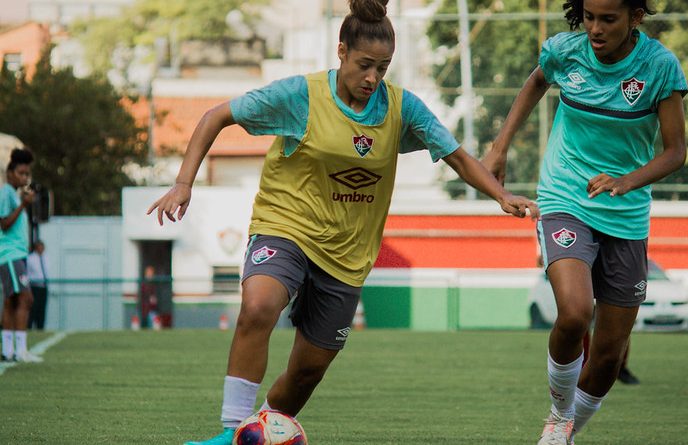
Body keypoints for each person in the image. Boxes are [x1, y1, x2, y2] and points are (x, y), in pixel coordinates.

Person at [147, 1, 538, 443]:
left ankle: (260, 431)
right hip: (286, 227)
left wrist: (501, 195)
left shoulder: (401, 108)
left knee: (308, 371)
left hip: (347, 255)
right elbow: (215, 116)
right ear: (341, 52)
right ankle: (229, 432)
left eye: (382, 68)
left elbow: (459, 158)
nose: (372, 78)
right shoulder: (301, 96)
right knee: (258, 307)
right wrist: (184, 183)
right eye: (364, 65)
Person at [482, 0, 687, 443]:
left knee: (610, 355)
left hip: (626, 216)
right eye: (589, 17)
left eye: (608, 19)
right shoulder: (564, 52)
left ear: (635, 17)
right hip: (565, 197)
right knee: (575, 313)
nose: (595, 28)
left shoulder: (660, 67)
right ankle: (559, 417)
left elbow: (675, 152)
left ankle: (564, 433)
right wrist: (500, 147)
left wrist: (627, 180)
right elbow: (537, 81)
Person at [0, 147, 42, 362]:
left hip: (16, 254)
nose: (25, 178)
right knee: (26, 298)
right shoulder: (6, 193)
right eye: (21, 173)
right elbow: (4, 223)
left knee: (12, 301)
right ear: (10, 173)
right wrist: (23, 205)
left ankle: (8, 350)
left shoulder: (14, 195)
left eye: (27, 174)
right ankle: (20, 350)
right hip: (10, 253)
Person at [27, 240, 50, 330]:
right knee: (33, 309)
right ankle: (29, 327)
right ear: (36, 247)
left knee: (42, 309)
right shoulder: (30, 259)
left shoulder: (46, 258)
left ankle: (40, 328)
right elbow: (27, 273)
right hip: (34, 287)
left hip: (44, 287)